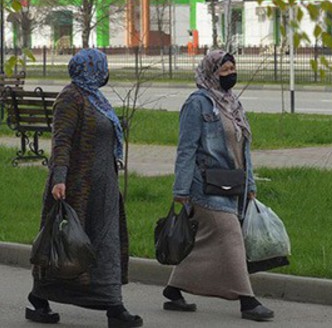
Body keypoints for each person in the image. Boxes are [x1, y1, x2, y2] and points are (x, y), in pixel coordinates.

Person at [27, 49, 143, 328]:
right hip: (79, 189)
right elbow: (61, 141)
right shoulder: (70, 97)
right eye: (103, 67)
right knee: (69, 247)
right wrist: (59, 179)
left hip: (104, 188)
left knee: (105, 244)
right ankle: (112, 307)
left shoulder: (96, 98)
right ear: (90, 69)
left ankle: (107, 304)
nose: (106, 72)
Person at [164, 50, 274, 321]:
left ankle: (173, 289)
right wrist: (181, 190)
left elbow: (244, 148)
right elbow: (186, 149)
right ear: (211, 73)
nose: (229, 75)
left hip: (232, 185)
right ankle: (248, 301)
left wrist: (250, 184)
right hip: (204, 186)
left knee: (203, 242)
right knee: (230, 236)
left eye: (231, 70)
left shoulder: (232, 104)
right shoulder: (197, 104)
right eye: (223, 71)